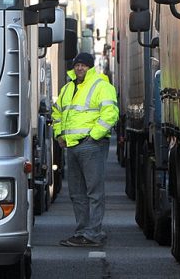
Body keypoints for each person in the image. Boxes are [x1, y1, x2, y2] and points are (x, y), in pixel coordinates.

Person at [52, 52, 119, 247]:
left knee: (94, 192)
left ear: (90, 67)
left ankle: (93, 233)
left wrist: (94, 135)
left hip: (91, 145)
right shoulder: (67, 88)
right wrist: (59, 135)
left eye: (83, 65)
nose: (79, 68)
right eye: (77, 65)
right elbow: (57, 113)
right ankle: (82, 231)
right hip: (72, 146)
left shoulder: (101, 86)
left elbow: (110, 113)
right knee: (77, 193)